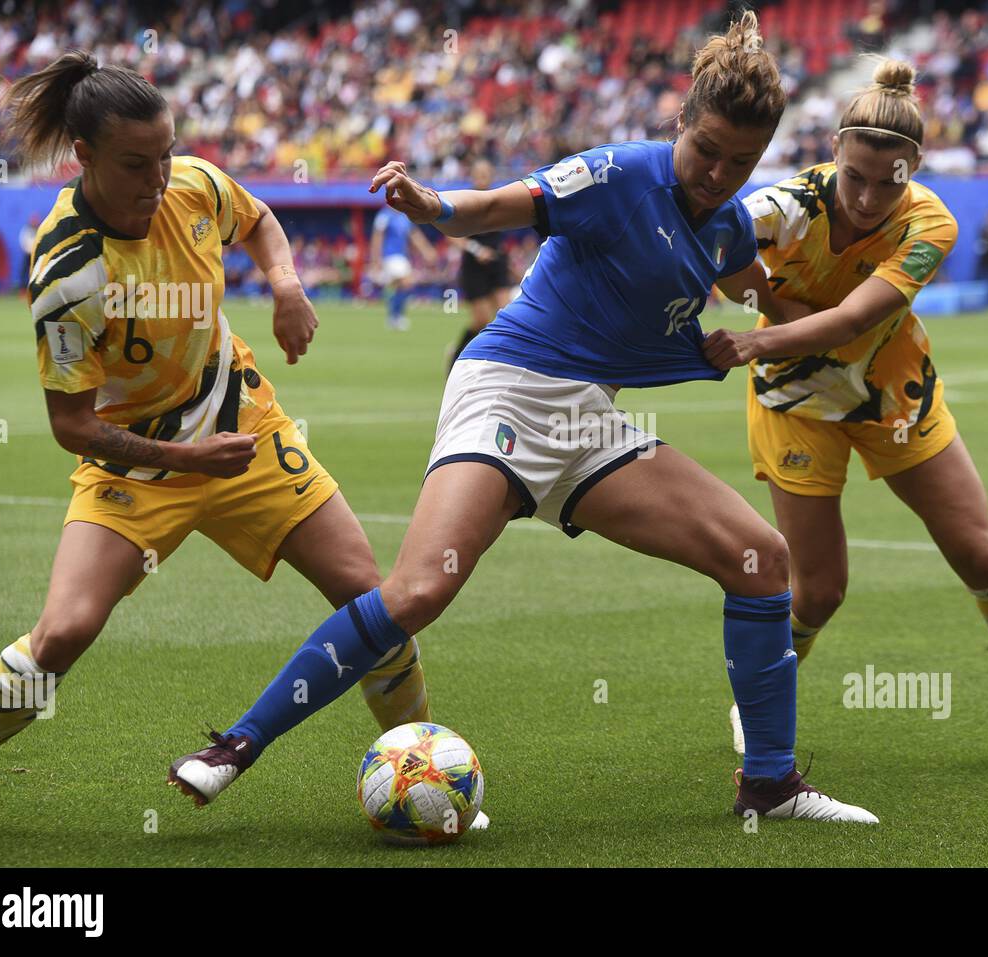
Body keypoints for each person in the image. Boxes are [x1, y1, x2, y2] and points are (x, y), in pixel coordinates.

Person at [168, 12, 878, 825]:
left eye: (740, 161)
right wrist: (430, 203)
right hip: (505, 388)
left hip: (583, 420)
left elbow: (772, 298)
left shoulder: (723, 225)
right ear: (681, 119)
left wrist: (823, 317)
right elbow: (499, 206)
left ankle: (771, 785)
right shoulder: (617, 175)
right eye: (706, 148)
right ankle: (237, 744)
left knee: (760, 559)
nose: (718, 172)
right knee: (420, 588)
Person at [0, 52, 450, 813]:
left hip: (243, 429)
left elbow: (259, 220)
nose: (158, 180)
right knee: (63, 632)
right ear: (83, 157)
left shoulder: (192, 183)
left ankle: (425, 770)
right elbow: (72, 425)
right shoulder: (66, 272)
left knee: (372, 599)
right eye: (135, 165)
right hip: (137, 465)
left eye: (164, 156)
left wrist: (285, 286)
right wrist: (189, 458)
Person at [702, 59, 988, 768]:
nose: (871, 197)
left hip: (894, 393)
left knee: (981, 555)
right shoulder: (786, 204)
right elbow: (715, 243)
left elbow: (850, 322)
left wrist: (757, 333)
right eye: (856, 177)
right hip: (796, 405)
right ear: (834, 155)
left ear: (916, 167)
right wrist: (765, 304)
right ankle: (758, 701)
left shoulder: (931, 222)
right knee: (821, 588)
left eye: (890, 180)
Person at [445, 158, 515, 370]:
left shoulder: (498, 199)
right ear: (473, 176)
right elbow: (449, 233)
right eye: (479, 173)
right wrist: (475, 249)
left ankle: (499, 365)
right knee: (481, 320)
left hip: (496, 263)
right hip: (474, 265)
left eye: (486, 173)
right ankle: (457, 357)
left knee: (507, 315)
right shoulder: (465, 201)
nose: (483, 177)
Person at [370, 201, 438, 330]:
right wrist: (376, 259)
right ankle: (395, 316)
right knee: (406, 282)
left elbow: (415, 236)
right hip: (390, 256)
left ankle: (394, 316)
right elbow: (377, 237)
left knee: (399, 286)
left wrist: (427, 250)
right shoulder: (384, 216)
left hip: (402, 257)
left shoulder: (404, 217)